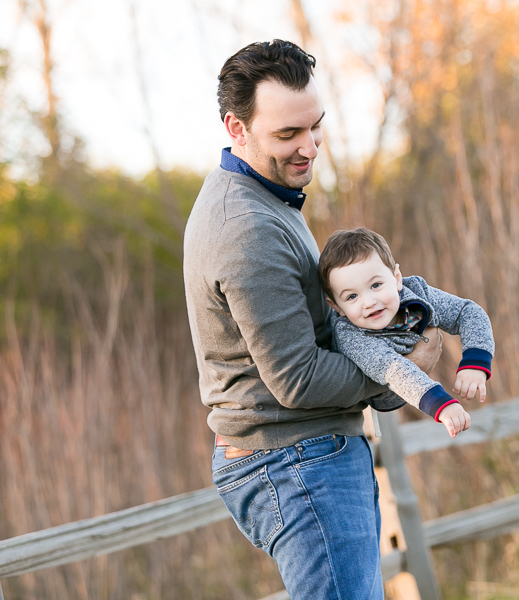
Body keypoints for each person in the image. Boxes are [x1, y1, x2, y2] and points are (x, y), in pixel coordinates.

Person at [182, 40, 442, 600]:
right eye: (287, 135)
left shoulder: (263, 198)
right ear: (237, 127)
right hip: (298, 464)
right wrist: (405, 367)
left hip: (306, 457)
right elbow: (297, 379)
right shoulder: (246, 228)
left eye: (314, 127)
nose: (309, 148)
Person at [319, 227, 495, 439]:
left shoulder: (416, 293)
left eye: (376, 285)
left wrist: (475, 362)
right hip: (380, 394)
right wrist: (441, 404)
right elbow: (394, 369)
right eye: (351, 297)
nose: (369, 302)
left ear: (397, 278)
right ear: (336, 306)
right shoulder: (351, 335)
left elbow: (467, 312)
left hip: (412, 374)